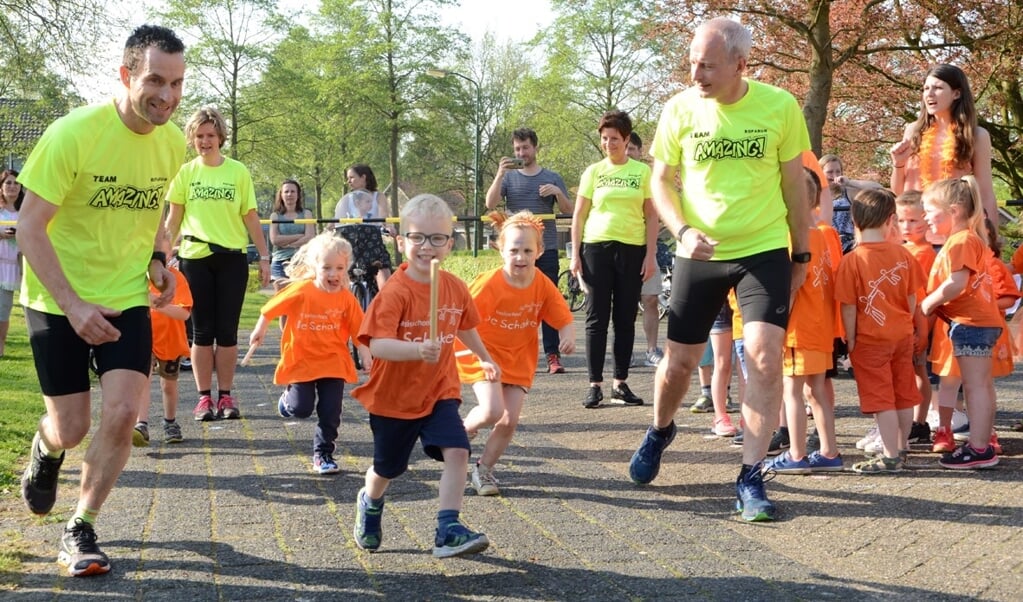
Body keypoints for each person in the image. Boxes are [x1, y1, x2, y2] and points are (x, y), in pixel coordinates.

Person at [16, 24, 186, 577]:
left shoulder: (173, 142)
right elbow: (30, 229)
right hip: (55, 296)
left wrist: (159, 259)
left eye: (178, 83)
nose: (167, 96)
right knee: (72, 426)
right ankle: (48, 450)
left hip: (127, 297)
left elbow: (154, 214)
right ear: (126, 74)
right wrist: (72, 305)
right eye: (156, 81)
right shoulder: (73, 134)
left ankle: (81, 525)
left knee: (120, 414)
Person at [627, 17, 811, 523]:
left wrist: (802, 254)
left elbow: (796, 188)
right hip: (698, 253)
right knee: (680, 366)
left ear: (739, 64)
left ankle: (750, 477)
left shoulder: (780, 106)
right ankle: (661, 429)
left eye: (707, 65)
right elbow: (661, 182)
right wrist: (682, 232)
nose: (696, 74)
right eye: (692, 63)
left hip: (764, 247)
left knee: (766, 357)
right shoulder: (679, 110)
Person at [351, 193, 498, 558]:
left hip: (439, 391)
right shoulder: (394, 293)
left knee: (458, 450)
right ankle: (370, 501)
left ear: (450, 243)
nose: (426, 247)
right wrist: (417, 350)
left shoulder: (454, 287)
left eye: (437, 239)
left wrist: (484, 357)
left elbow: (464, 326)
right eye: (417, 237)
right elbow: (379, 345)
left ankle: (448, 528)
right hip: (394, 399)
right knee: (388, 468)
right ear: (401, 242)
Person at [458, 210, 576, 496]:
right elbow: (461, 319)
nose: (520, 257)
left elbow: (562, 316)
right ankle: (461, 430)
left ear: (540, 251)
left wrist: (567, 335)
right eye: (514, 250)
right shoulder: (489, 284)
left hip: (519, 358)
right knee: (491, 410)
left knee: (509, 420)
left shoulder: (542, 283)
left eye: (527, 250)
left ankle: (483, 470)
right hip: (483, 355)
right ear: (501, 249)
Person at [165, 106, 270, 422]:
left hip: (232, 258)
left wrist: (264, 256)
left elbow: (250, 216)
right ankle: (202, 398)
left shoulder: (237, 171)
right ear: (192, 139)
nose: (205, 141)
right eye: (199, 136)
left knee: (227, 331)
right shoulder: (186, 173)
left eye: (210, 135)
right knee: (201, 331)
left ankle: (225, 395)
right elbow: (173, 219)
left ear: (221, 137)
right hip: (195, 258)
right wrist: (162, 254)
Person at [249, 232, 371, 475]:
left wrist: (365, 352)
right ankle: (287, 401)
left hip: (333, 362)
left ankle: (323, 454)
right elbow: (270, 310)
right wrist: (259, 329)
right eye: (327, 268)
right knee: (301, 409)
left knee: (331, 411)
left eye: (339, 268)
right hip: (302, 360)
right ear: (315, 266)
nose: (333, 274)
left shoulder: (346, 299)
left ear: (346, 268)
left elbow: (360, 329)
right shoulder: (303, 290)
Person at [835, 189, 926, 473]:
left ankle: (889, 456)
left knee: (881, 397)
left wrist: (850, 339)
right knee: (903, 392)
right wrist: (906, 323)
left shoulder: (853, 260)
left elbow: (848, 307)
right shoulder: (904, 254)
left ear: (855, 220)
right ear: (891, 220)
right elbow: (912, 297)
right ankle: (901, 448)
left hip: (870, 339)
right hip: (901, 334)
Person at [571, 110, 656, 409]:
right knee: (596, 318)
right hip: (596, 248)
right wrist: (574, 255)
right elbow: (579, 215)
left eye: (615, 139)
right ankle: (594, 384)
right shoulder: (593, 172)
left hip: (632, 249)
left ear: (627, 139)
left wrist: (651, 255)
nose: (609, 144)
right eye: (605, 139)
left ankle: (620, 383)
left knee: (624, 318)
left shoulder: (642, 173)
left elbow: (651, 215)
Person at [920, 177, 1003, 469]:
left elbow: (956, 284)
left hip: (972, 324)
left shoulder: (961, 241)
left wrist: (928, 304)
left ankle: (979, 448)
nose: (925, 217)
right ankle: (981, 444)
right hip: (978, 323)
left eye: (930, 211)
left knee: (975, 387)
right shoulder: (967, 239)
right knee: (980, 386)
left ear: (953, 211)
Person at [763, 168, 841, 474]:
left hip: (798, 329)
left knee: (792, 391)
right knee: (817, 390)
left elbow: (794, 285)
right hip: (821, 327)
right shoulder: (824, 235)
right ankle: (829, 451)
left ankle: (796, 454)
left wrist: (778, 325)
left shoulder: (792, 238)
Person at [486, 128, 573, 374]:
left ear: (535, 148)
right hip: (516, 252)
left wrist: (557, 193)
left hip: (546, 249)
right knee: (513, 301)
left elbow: (569, 210)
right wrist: (499, 174)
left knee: (548, 301)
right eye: (517, 149)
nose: (521, 153)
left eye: (525, 148)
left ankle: (552, 355)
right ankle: (511, 352)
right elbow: (489, 204)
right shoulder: (508, 179)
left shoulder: (552, 177)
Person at [890, 64, 998, 226]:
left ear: (956, 93)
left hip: (954, 228)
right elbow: (899, 192)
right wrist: (898, 165)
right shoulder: (913, 131)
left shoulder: (976, 135)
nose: (929, 94)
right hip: (915, 228)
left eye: (938, 88)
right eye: (926, 88)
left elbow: (985, 193)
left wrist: (992, 238)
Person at [133, 255, 192, 446]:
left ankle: (170, 421)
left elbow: (183, 313)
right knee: (143, 380)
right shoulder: (135, 278)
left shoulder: (176, 278)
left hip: (170, 339)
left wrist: (156, 302)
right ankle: (141, 424)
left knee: (169, 385)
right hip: (143, 336)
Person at [896, 190, 938, 446]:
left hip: (918, 323)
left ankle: (919, 422)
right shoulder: (907, 250)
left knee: (919, 372)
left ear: (925, 220)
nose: (906, 226)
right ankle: (915, 422)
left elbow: (924, 299)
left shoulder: (922, 254)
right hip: (909, 323)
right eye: (901, 220)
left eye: (912, 220)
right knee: (914, 372)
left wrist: (923, 332)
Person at [629, 132, 671, 367]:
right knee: (624, 303)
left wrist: (651, 252)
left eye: (632, 149)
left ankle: (652, 350)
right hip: (622, 249)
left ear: (638, 152)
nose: (628, 154)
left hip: (647, 248)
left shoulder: (650, 180)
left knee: (650, 299)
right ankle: (625, 350)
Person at [334, 164, 393, 291]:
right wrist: (326, 232)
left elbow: (384, 216)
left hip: (372, 241)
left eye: (351, 178)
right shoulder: (347, 199)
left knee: (385, 280)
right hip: (352, 243)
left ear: (363, 177)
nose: (348, 181)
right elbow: (336, 220)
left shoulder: (379, 196)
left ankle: (387, 300)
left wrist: (389, 227)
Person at [819, 154, 883, 254]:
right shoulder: (814, 194)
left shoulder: (847, 192)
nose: (835, 175)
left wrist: (849, 182)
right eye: (830, 172)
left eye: (838, 171)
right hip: (824, 243)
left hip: (848, 245)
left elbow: (878, 188)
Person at [269, 179, 314, 285]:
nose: (289, 194)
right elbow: (275, 239)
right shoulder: (275, 215)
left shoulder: (306, 214)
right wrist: (299, 236)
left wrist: (288, 244)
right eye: (286, 191)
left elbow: (310, 237)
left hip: (302, 262)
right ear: (281, 195)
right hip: (279, 262)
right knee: (282, 298)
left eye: (293, 191)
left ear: (298, 195)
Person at [0, 168, 23, 357]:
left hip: (23, 266)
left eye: (16, 183)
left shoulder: (26, 211)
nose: (12, 186)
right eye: (8, 183)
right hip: (1, 265)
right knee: (2, 310)